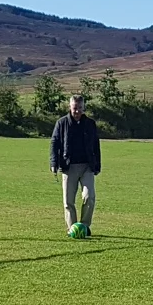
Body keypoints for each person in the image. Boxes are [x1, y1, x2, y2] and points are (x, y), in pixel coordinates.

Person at [49, 93, 102, 235]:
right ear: (70, 107)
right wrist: (54, 162)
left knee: (89, 197)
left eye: (79, 108)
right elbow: (54, 143)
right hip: (68, 166)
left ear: (83, 108)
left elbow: (96, 145)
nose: (77, 111)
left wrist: (97, 165)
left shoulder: (90, 124)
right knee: (68, 201)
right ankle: (72, 228)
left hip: (87, 166)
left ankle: (84, 226)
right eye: (74, 108)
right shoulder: (61, 123)